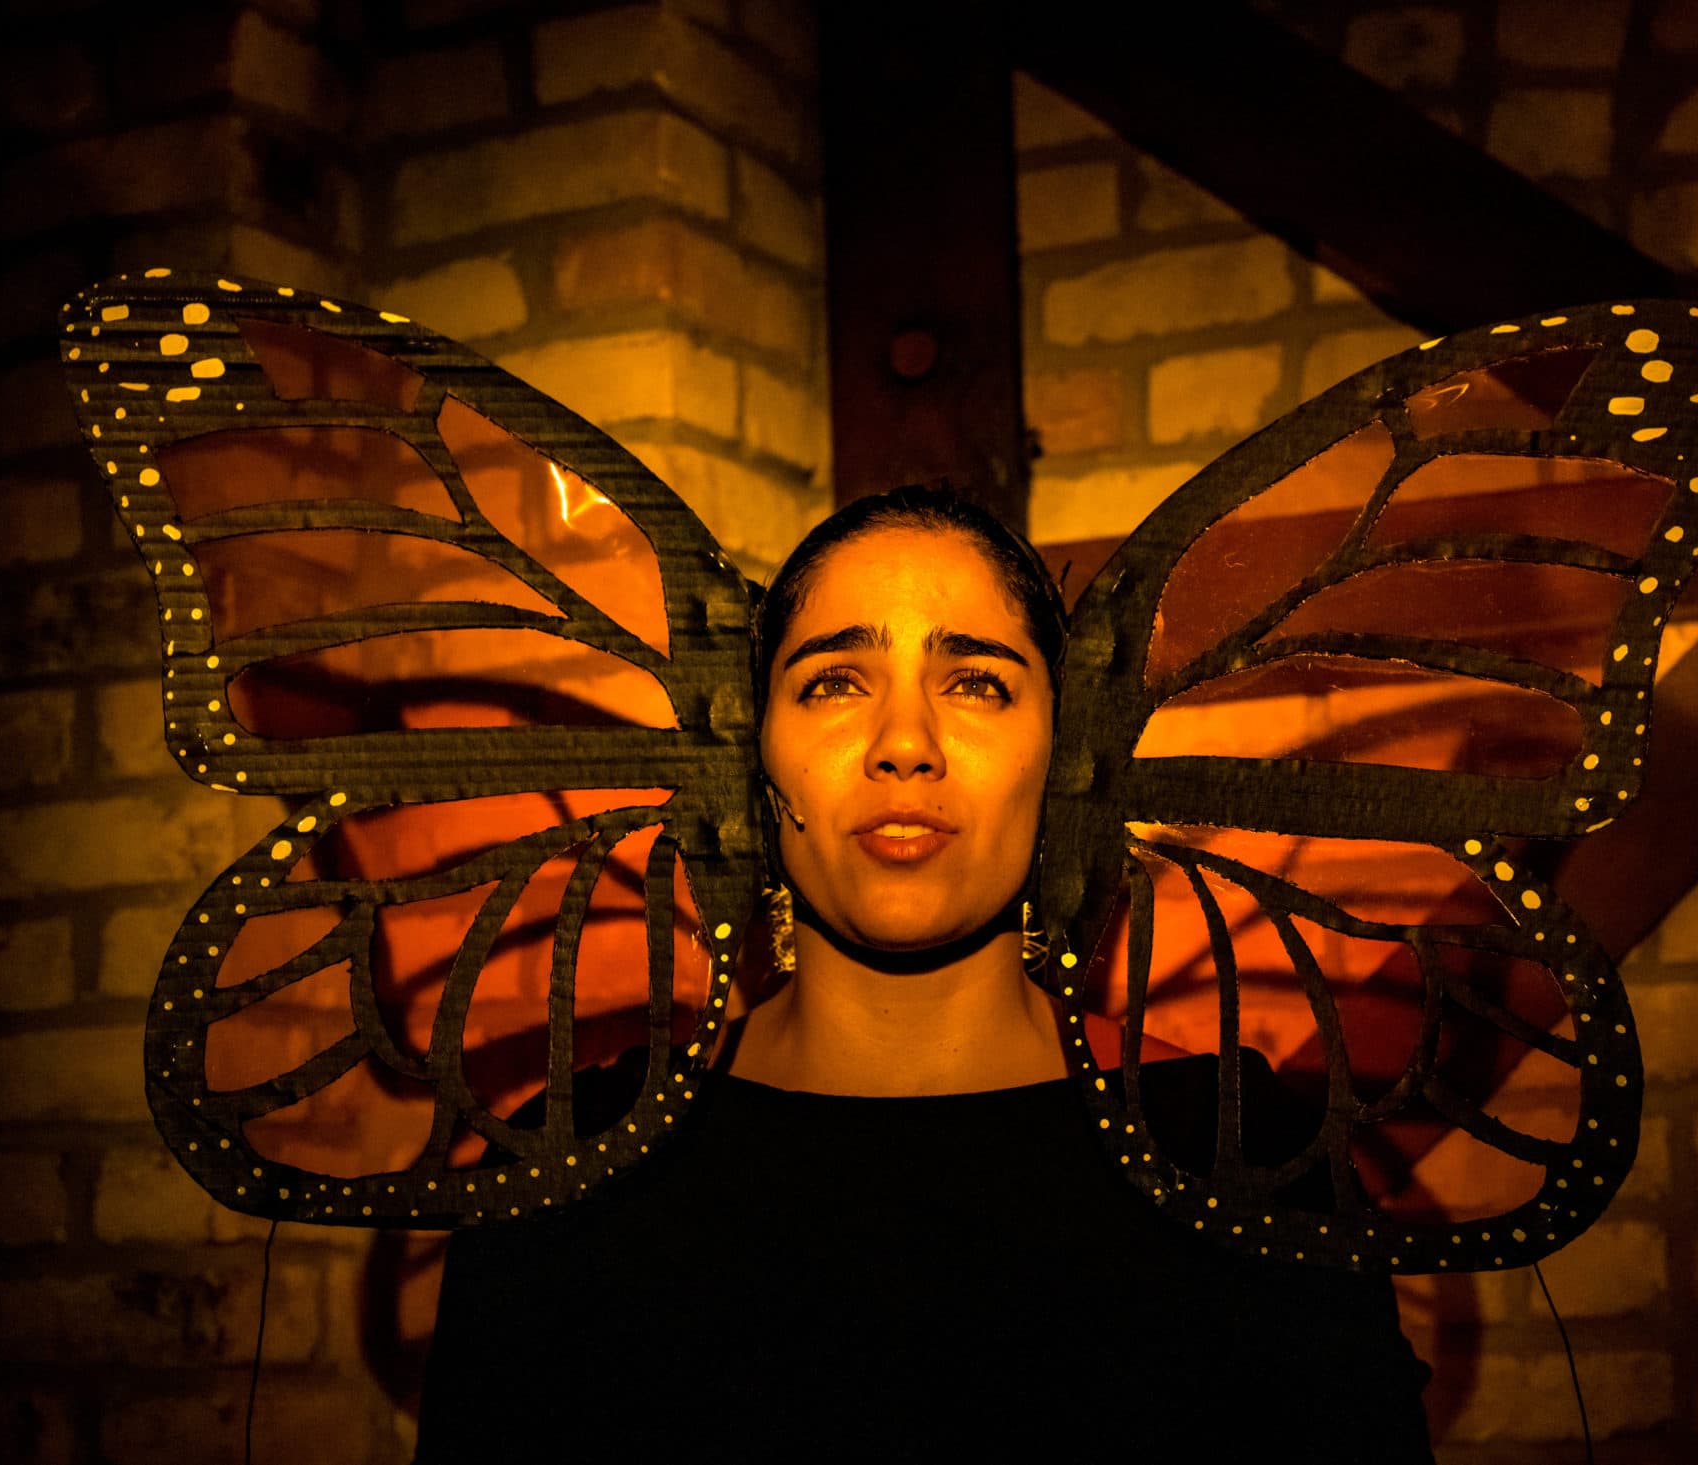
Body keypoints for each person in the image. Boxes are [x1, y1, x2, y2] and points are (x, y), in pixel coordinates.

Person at [416, 486, 1434, 1461]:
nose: (905, 744)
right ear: (755, 754)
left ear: (1062, 751)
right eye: (833, 682)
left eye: (978, 683)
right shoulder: (568, 1167)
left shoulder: (1247, 1156)